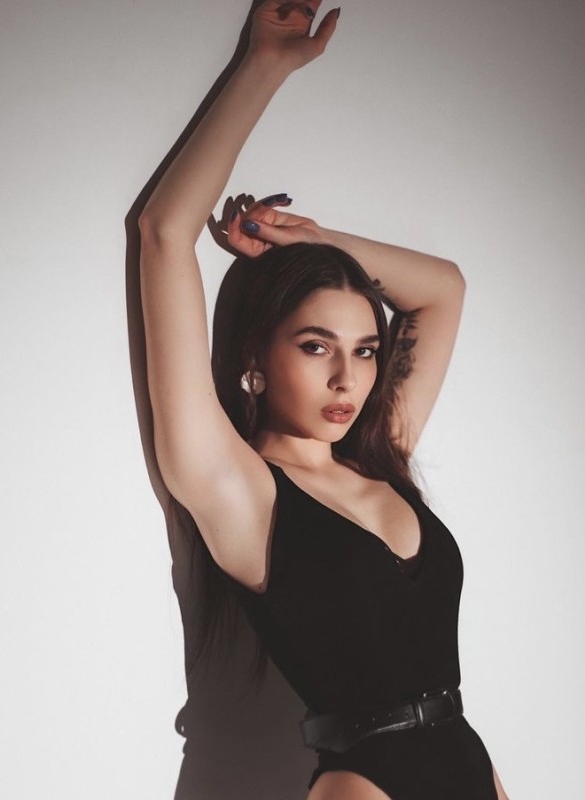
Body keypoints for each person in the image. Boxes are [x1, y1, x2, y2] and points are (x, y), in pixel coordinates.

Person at [138, 1, 510, 798]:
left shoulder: (381, 455)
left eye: (365, 350)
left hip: (472, 766)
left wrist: (314, 243)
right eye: (315, 347)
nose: (348, 380)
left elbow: (441, 290)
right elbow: (164, 232)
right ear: (256, 356)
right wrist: (265, 64)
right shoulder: (238, 492)